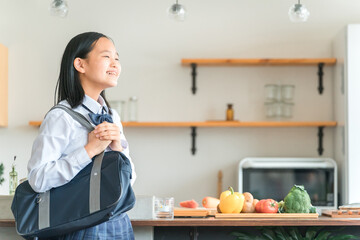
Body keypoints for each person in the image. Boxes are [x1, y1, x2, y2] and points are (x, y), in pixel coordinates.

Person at [27, 32, 136, 239]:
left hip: (118, 225)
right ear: (80, 64)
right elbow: (37, 179)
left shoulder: (112, 116)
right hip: (77, 227)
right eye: (106, 57)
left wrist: (117, 148)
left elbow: (130, 182)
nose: (115, 64)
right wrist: (89, 150)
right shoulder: (61, 117)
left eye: (117, 58)